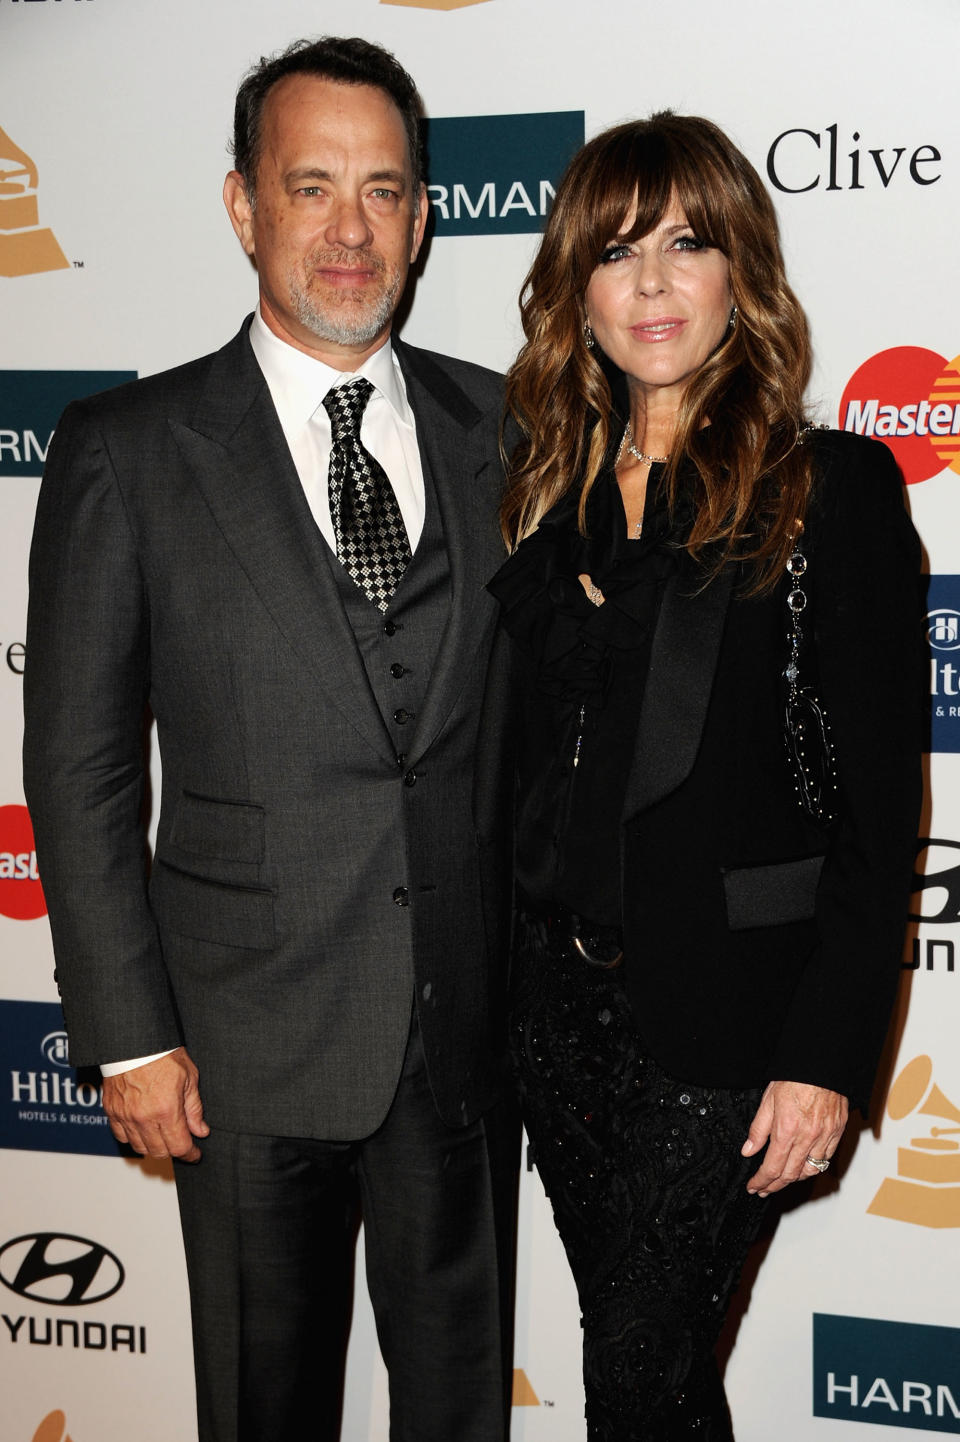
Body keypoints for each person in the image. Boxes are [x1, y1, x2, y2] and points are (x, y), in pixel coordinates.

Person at [23, 36, 518, 1442]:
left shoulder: (507, 423)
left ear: (425, 216)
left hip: (459, 1042)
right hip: (236, 1052)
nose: (350, 230)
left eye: (383, 189)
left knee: (458, 1416)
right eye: (311, 186)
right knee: (261, 1411)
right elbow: (80, 762)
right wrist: (126, 1036)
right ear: (243, 206)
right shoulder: (126, 446)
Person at [488, 112, 923, 1441]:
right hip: (553, 1019)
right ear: (577, 289)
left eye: (689, 243)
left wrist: (827, 1057)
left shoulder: (827, 492)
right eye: (618, 253)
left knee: (633, 1374)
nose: (656, 285)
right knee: (658, 1380)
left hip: (729, 1031)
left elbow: (881, 821)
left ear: (743, 267)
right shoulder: (543, 492)